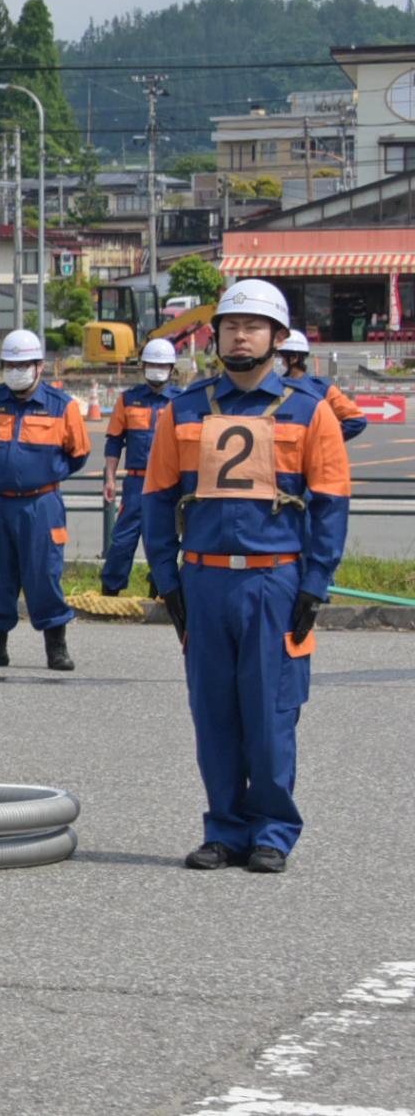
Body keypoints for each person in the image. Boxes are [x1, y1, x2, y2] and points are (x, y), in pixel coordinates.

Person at [143, 279, 350, 876]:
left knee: (271, 713)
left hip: (274, 579)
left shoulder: (311, 411)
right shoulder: (183, 410)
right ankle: (224, 830)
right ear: (215, 336)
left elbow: (332, 501)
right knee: (214, 714)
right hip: (205, 580)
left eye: (253, 327)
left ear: (278, 339)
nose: (240, 335)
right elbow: (157, 497)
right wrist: (167, 577)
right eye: (230, 325)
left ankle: (273, 830)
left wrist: (315, 582)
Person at [0, 330, 90, 671]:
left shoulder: (62, 406)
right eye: (9, 364)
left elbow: (79, 453)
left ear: (39, 366)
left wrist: (40, 473)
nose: (15, 370)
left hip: (40, 504)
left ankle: (56, 646)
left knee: (44, 572)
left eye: (23, 365)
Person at [100, 338, 178, 597]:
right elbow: (114, 441)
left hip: (168, 482)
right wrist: (109, 478)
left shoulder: (181, 401)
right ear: (143, 367)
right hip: (136, 482)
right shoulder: (128, 399)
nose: (156, 369)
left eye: (162, 365)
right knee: (123, 540)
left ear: (171, 368)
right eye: (151, 364)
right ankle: (110, 589)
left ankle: (161, 590)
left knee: (163, 541)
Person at [277, 332, 366, 441]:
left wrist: (323, 441)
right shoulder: (272, 387)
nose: (278, 363)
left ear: (294, 358)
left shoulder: (321, 388)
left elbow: (356, 420)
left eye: (281, 358)